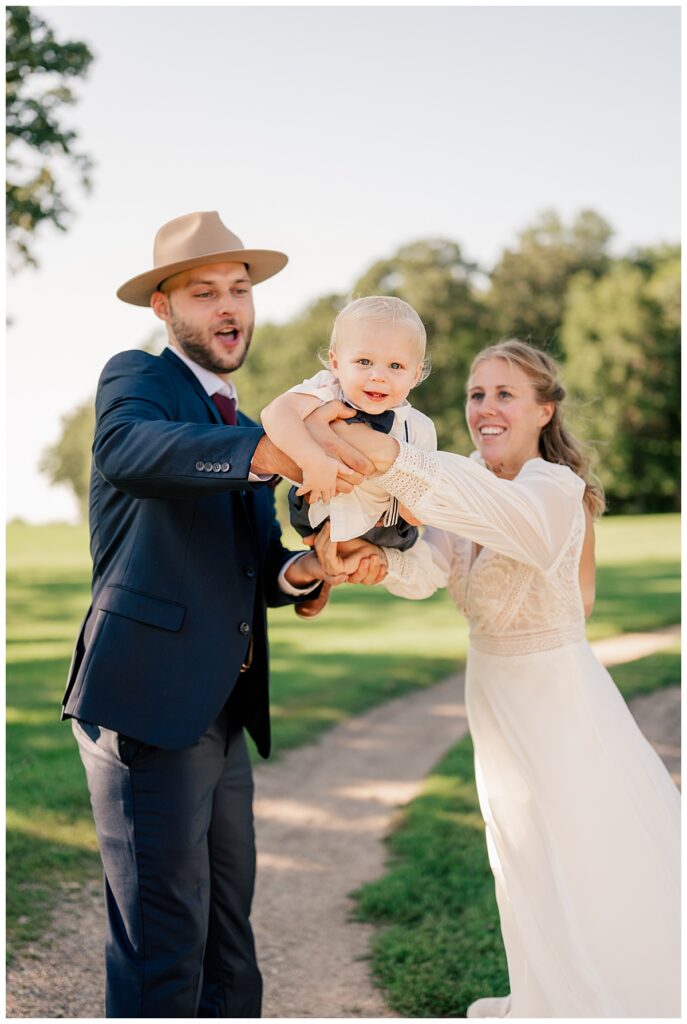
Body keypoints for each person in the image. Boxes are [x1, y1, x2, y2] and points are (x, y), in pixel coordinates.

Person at [62, 210, 375, 1018]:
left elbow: (252, 564)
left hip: (221, 709)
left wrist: (310, 567)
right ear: (164, 310)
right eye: (204, 293)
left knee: (227, 944)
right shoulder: (138, 378)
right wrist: (273, 454)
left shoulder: (242, 417)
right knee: (162, 951)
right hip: (146, 703)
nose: (229, 306)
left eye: (239, 289)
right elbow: (129, 452)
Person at [310, 339, 680, 1018]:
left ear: (543, 411)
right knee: (522, 859)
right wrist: (374, 564)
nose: (484, 407)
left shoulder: (552, 489)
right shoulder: (471, 490)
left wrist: (396, 459)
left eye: (504, 393)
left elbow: (522, 531)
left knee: (588, 854)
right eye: (475, 394)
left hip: (557, 701)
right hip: (493, 696)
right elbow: (429, 568)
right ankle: (551, 996)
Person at [260, 295, 436, 562]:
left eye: (395, 366)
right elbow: (275, 413)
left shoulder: (419, 427)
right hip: (322, 513)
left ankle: (359, 558)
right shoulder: (328, 389)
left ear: (415, 374)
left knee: (412, 521)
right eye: (364, 362)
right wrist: (312, 459)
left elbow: (420, 504)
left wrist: (415, 506)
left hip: (384, 526)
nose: (378, 375)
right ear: (336, 363)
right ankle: (322, 563)